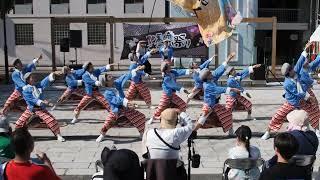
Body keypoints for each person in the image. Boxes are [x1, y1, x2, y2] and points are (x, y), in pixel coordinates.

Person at [261, 45, 319, 140]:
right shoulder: (287, 84)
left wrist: (306, 49)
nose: (293, 69)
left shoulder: (295, 71)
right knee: (278, 115)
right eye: (291, 70)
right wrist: (309, 98)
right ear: (288, 74)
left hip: (302, 101)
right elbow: (298, 94)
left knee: (314, 111)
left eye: (292, 68)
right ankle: (267, 132)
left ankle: (317, 131)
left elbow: (300, 60)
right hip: (292, 102)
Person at [15, 71, 66, 142]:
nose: (34, 78)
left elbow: (46, 80)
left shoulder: (38, 85)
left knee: (52, 120)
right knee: (18, 124)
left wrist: (53, 73)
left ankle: (58, 135)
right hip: (31, 110)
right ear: (28, 80)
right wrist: (44, 102)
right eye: (32, 77)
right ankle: (18, 137)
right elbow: (32, 100)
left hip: (40, 109)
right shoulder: (25, 90)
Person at [95, 74, 146, 143]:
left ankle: (142, 134)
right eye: (109, 77)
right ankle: (102, 135)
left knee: (140, 117)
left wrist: (134, 72)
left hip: (125, 108)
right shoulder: (107, 93)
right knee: (108, 122)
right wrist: (128, 103)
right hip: (116, 110)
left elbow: (124, 76)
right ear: (106, 82)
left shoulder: (116, 83)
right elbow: (116, 100)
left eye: (110, 75)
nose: (111, 76)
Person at [193, 68, 240, 135]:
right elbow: (217, 89)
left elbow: (217, 72)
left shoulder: (209, 82)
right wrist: (232, 89)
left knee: (227, 114)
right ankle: (192, 132)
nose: (212, 73)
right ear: (207, 76)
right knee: (203, 119)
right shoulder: (208, 85)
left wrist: (226, 62)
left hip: (213, 105)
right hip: (209, 106)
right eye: (210, 73)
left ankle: (231, 132)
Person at [0, 55, 42, 120]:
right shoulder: (15, 74)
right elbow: (19, 83)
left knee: (31, 104)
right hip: (18, 92)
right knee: (8, 104)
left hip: (25, 92)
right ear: (16, 65)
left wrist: (36, 60)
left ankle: (34, 117)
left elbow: (29, 66)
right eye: (19, 62)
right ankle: (2, 117)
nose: (21, 63)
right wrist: (26, 87)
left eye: (20, 61)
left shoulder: (23, 70)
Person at [298, 51, 320, 137]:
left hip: (307, 91)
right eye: (306, 60)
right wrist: (317, 81)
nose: (308, 61)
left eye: (307, 60)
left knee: (314, 108)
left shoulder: (307, 67)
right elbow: (307, 80)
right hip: (301, 93)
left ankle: (316, 129)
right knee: (306, 110)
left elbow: (316, 62)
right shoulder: (301, 70)